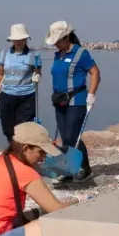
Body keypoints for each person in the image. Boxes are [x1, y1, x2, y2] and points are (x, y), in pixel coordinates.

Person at [46, 21, 101, 183]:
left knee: (72, 135)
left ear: (66, 37)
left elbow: (95, 72)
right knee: (65, 137)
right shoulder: (59, 54)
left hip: (77, 100)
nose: (55, 44)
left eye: (58, 40)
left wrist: (91, 94)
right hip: (59, 100)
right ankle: (69, 170)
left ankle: (85, 168)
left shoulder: (80, 53)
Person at [0, 24, 43, 143]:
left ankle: (21, 153)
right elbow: (0, 73)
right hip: (7, 95)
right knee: (7, 128)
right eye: (16, 40)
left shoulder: (34, 55)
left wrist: (37, 76)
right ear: (12, 40)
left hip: (27, 96)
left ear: (25, 39)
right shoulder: (4, 53)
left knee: (23, 128)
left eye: (21, 39)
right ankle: (13, 148)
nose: (19, 42)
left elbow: (38, 72)